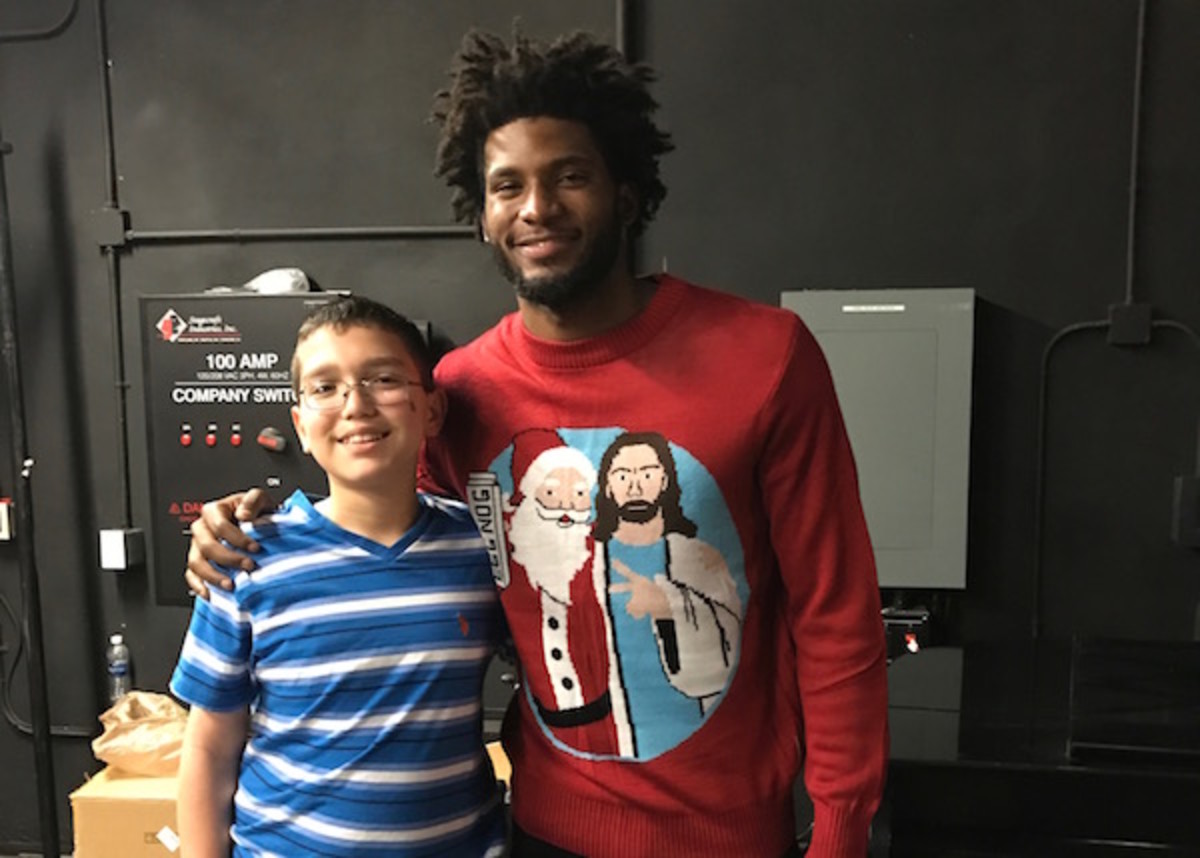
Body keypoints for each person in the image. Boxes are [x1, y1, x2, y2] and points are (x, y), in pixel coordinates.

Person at [186, 28, 888, 858]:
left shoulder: (767, 356)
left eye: (570, 177)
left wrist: (841, 829)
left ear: (627, 194)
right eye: (507, 186)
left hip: (731, 836)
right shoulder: (464, 391)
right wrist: (235, 520)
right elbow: (370, 499)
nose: (537, 208)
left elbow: (836, 613)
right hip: (539, 832)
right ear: (481, 216)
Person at [171, 295, 506, 857]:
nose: (356, 404)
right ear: (300, 427)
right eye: (325, 387)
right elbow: (209, 747)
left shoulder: (479, 549)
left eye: (383, 379)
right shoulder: (247, 556)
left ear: (432, 411)